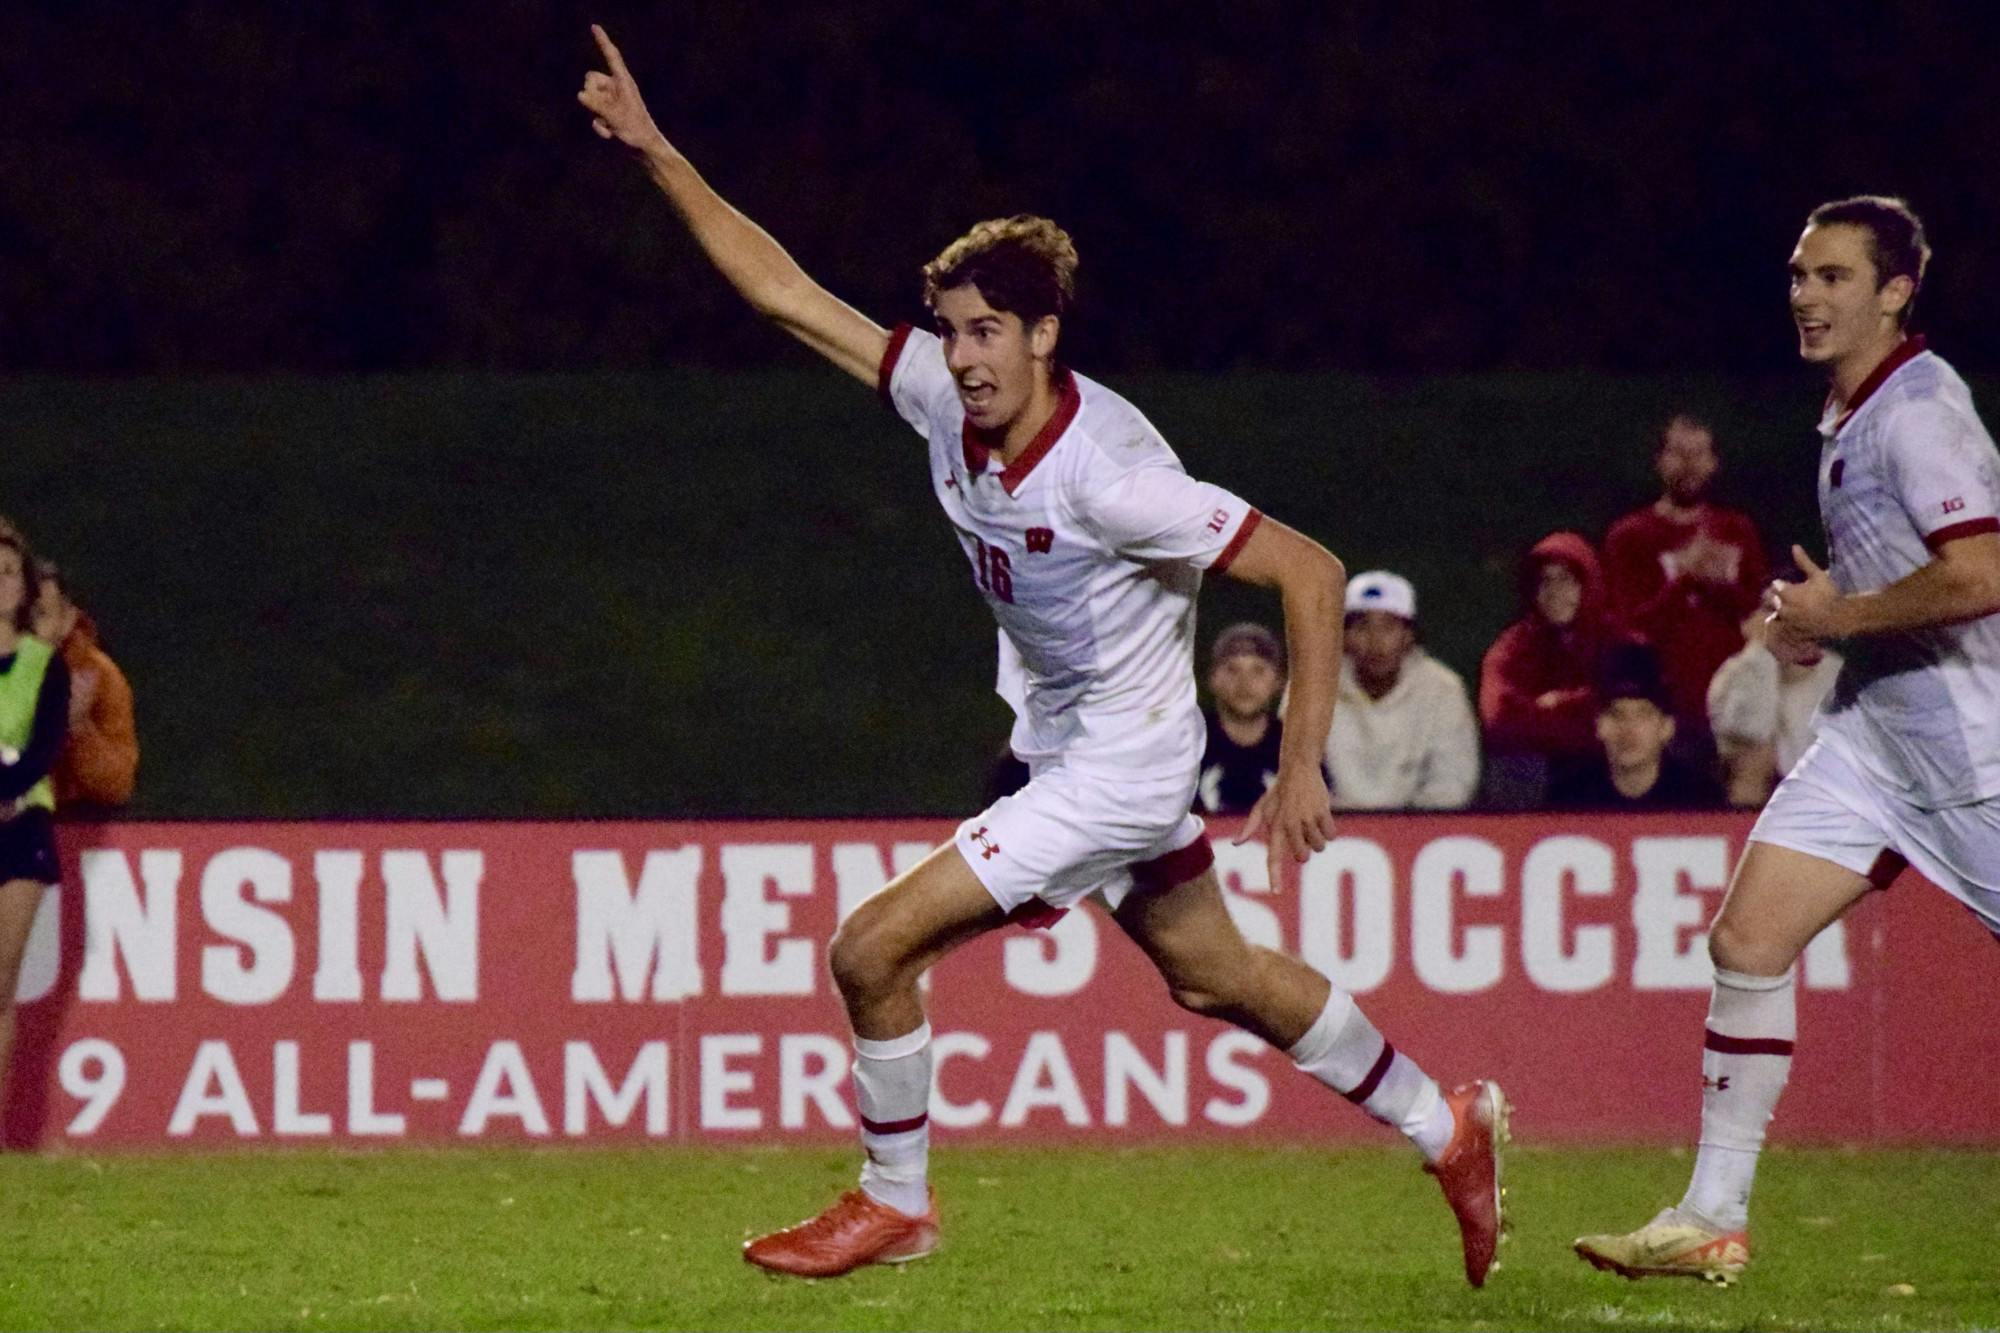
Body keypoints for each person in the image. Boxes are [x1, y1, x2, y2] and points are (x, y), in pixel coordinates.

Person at [579, 26, 1508, 1286]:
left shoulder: (1112, 480)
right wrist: (657, 153)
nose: (959, 357)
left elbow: (1310, 569)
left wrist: (1300, 766)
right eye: (949, 330)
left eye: (986, 332)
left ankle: (895, 1201)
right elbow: (784, 292)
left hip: (1117, 766)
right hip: (1067, 738)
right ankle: (1443, 1125)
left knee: (868, 949)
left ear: (1044, 337)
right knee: (1212, 974)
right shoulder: (938, 399)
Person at [1576, 196, 2000, 1284]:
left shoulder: (1917, 412)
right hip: (1871, 742)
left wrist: (1836, 618)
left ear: (1896, 290)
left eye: (1832, 278)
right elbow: (1906, 575)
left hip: (1966, 748)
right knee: (1745, 943)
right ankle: (1709, 1213)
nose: (1804, 296)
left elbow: (1981, 575)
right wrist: (1824, 620)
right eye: (1798, 275)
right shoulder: (1849, 408)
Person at [1602, 415, 1769, 738]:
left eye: (1698, 455)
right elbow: (1631, 626)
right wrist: (1686, 578)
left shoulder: (1737, 529)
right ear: (1660, 461)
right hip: (1666, 706)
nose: (1689, 465)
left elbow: (1759, 614)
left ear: (1713, 462)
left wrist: (1718, 585)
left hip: (1738, 703)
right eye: (1679, 454)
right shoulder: (1630, 535)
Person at [0, 523, 71, 1118]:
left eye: (7, 573)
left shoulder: (43, 662)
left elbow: (47, 744)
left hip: (19, 827)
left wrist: (9, 791)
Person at [1477, 532, 1625, 807]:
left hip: (1605, 769)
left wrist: (1556, 704)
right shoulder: (1512, 646)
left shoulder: (1620, 639)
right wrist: (1584, 709)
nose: (1555, 592)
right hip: (1539, 773)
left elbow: (1626, 717)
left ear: (1588, 585)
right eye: (1545, 581)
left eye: (1566, 580)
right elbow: (1498, 719)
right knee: (1515, 765)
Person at [1326, 571, 1478, 810]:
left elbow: (1453, 781)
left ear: (1408, 636)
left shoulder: (1443, 689)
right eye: (1362, 627)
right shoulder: (1310, 687)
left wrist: (1402, 828)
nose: (1375, 642)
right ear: (1344, 636)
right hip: (1331, 832)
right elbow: (1291, 771)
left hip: (1419, 830)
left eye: (1388, 627)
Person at [1548, 643, 1724, 810]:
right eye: (1617, 714)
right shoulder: (1568, 799)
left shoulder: (1700, 800)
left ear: (1667, 727)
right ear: (1599, 725)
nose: (1628, 730)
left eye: (1642, 715)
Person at [1706, 605, 1841, 809]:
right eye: (1777, 621)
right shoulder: (1735, 674)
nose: (1789, 632)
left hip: (1827, 805)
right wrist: (1761, 654)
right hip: (1749, 808)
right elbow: (1752, 732)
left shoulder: (1841, 677)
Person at [31, 562, 138, 813]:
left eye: (40, 615)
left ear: (67, 620)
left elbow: (117, 787)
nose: (25, 630)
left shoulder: (100, 676)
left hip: (72, 829)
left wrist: (78, 727)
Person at [1196, 622, 1286, 815]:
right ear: (1213, 679)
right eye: (1232, 669)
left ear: (1278, 681)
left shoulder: (1295, 747)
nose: (1245, 683)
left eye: (1258, 670)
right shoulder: (1188, 745)